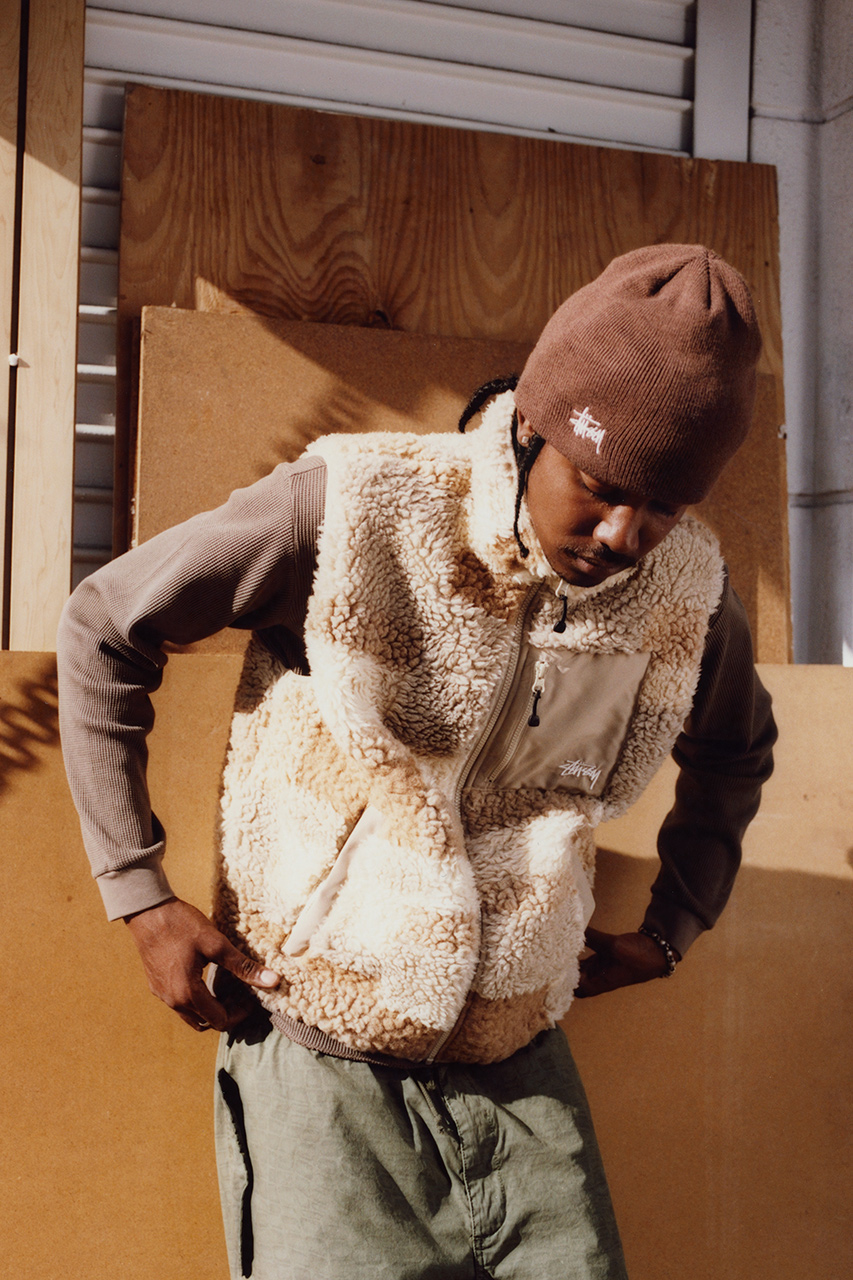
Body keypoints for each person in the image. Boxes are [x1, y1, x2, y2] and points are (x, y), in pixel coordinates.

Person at [58, 244, 776, 1280]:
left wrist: (672, 927)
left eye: (662, 505)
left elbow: (735, 750)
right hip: (324, 1069)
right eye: (599, 485)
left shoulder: (687, 592)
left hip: (525, 1081)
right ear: (531, 427)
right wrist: (140, 893)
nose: (623, 533)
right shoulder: (351, 509)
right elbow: (104, 625)